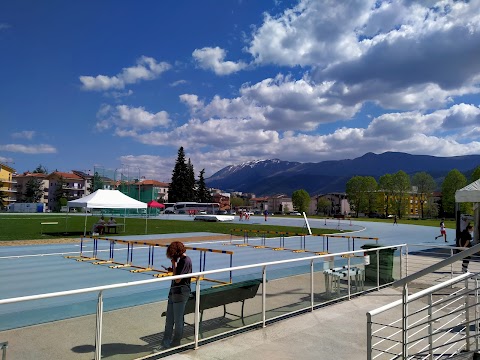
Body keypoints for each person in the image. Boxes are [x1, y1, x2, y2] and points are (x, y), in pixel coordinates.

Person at [161, 241, 192, 349]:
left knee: (178, 320)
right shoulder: (182, 261)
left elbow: (178, 279)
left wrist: (174, 264)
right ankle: (165, 341)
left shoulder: (185, 261)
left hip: (180, 293)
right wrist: (173, 268)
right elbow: (178, 273)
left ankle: (176, 342)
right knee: (169, 319)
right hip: (174, 293)